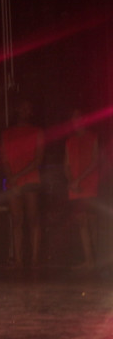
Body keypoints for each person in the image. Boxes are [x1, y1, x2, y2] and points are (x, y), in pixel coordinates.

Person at [1, 99, 44, 268]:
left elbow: (38, 159)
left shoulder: (37, 131)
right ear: (17, 109)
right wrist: (12, 178)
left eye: (28, 108)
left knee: (33, 219)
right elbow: (4, 159)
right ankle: (18, 260)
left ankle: (35, 260)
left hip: (30, 178)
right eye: (23, 107)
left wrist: (17, 176)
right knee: (17, 221)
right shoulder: (7, 134)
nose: (25, 111)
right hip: (14, 181)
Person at [64, 109, 99, 269]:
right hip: (75, 188)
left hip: (90, 185)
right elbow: (66, 165)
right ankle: (89, 260)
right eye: (74, 119)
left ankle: (94, 259)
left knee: (91, 222)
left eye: (79, 118)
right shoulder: (69, 141)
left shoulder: (93, 137)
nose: (76, 122)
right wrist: (72, 182)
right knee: (82, 222)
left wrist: (78, 180)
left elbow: (94, 161)